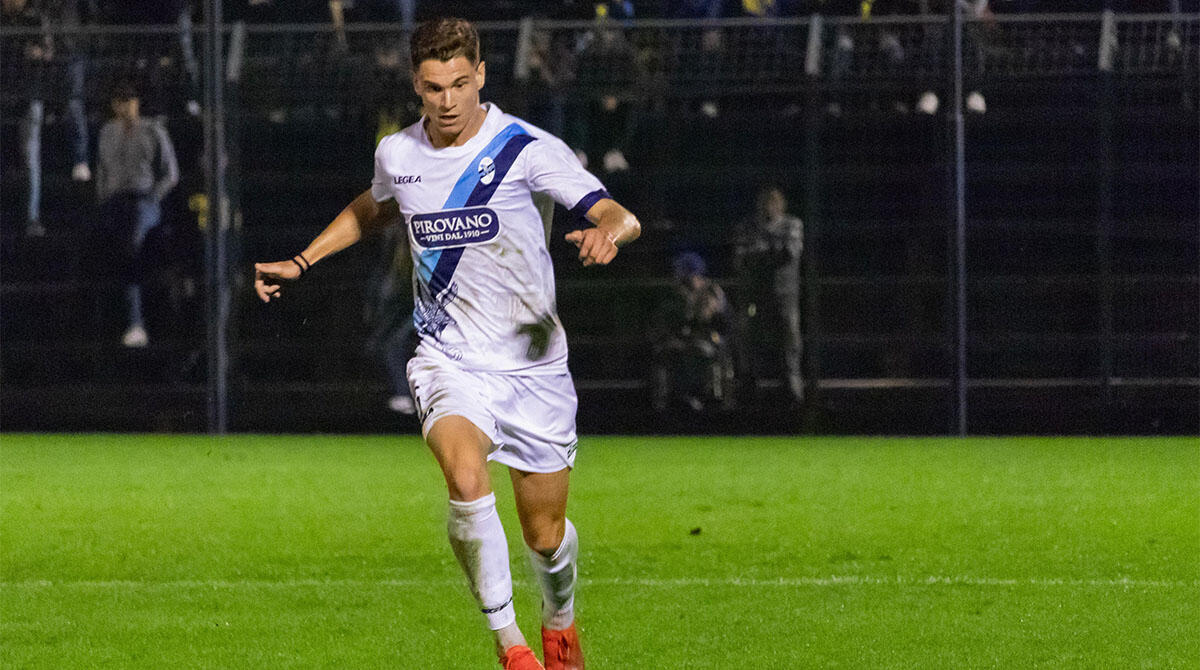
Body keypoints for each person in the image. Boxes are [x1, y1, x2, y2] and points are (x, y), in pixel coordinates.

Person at [253, 17, 640, 670]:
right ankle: (511, 647)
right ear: (416, 85)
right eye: (434, 87)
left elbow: (614, 211)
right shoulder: (398, 155)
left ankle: (560, 621)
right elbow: (374, 206)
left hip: (534, 371)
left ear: (481, 75)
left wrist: (610, 234)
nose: (449, 100)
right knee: (465, 478)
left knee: (544, 538)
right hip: (448, 359)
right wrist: (303, 259)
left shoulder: (526, 148)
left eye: (461, 83)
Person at [94, 80, 180, 348]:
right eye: (121, 101)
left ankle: (136, 321)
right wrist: (104, 195)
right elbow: (102, 170)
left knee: (132, 242)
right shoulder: (108, 132)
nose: (127, 106)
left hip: (144, 200)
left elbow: (170, 173)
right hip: (115, 200)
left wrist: (153, 196)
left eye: (130, 100)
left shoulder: (153, 131)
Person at [733, 183, 804, 405]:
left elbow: (790, 253)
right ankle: (748, 386)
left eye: (773, 202)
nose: (768, 207)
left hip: (784, 295)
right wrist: (770, 253)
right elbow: (741, 256)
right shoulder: (747, 226)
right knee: (749, 338)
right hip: (755, 294)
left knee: (789, 339)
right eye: (765, 203)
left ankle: (793, 388)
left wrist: (761, 254)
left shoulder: (792, 225)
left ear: (781, 205)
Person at [650, 252, 735, 413]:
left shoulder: (713, 294)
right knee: (666, 354)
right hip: (678, 341)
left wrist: (713, 312)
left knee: (706, 352)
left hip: (706, 341)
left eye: (692, 278)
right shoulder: (671, 295)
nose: (689, 283)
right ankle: (667, 404)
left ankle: (712, 401)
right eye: (684, 279)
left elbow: (725, 326)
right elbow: (660, 325)